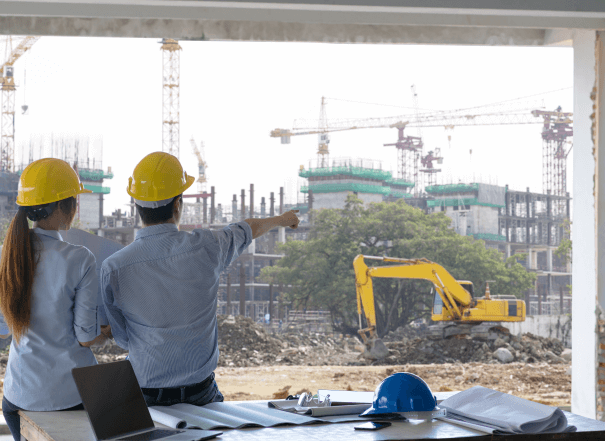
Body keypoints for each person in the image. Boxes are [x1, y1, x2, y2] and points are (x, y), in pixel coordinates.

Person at [100, 152, 299, 407]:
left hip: (145, 395)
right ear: (177, 204)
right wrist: (285, 220)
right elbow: (249, 228)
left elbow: (124, 338)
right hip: (201, 395)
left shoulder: (113, 267)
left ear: (136, 206)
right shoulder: (208, 246)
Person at [0, 158, 110, 441]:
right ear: (64, 205)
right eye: (75, 200)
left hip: (18, 398)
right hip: (70, 398)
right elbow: (85, 337)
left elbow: (3, 330)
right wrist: (105, 335)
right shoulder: (79, 259)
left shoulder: (8, 255)